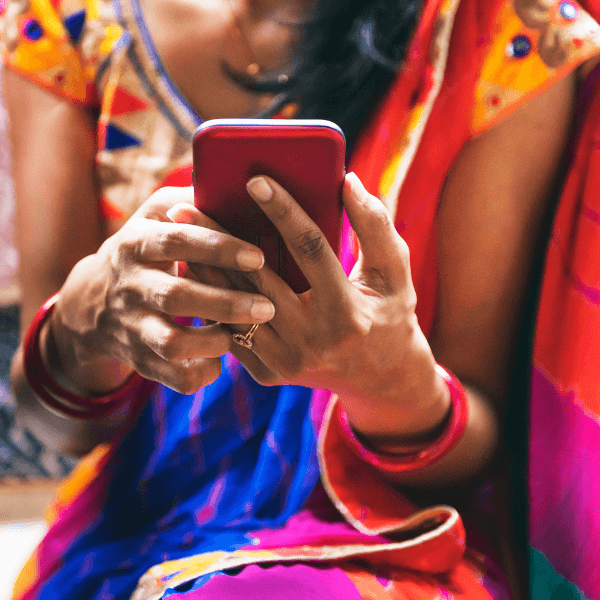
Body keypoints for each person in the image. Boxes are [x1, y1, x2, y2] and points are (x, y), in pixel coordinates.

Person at [1, 0, 600, 598]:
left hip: (391, 543)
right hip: (134, 523)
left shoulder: (501, 33)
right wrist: (81, 327)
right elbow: (52, 425)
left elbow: (484, 442)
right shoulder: (62, 22)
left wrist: (389, 384)